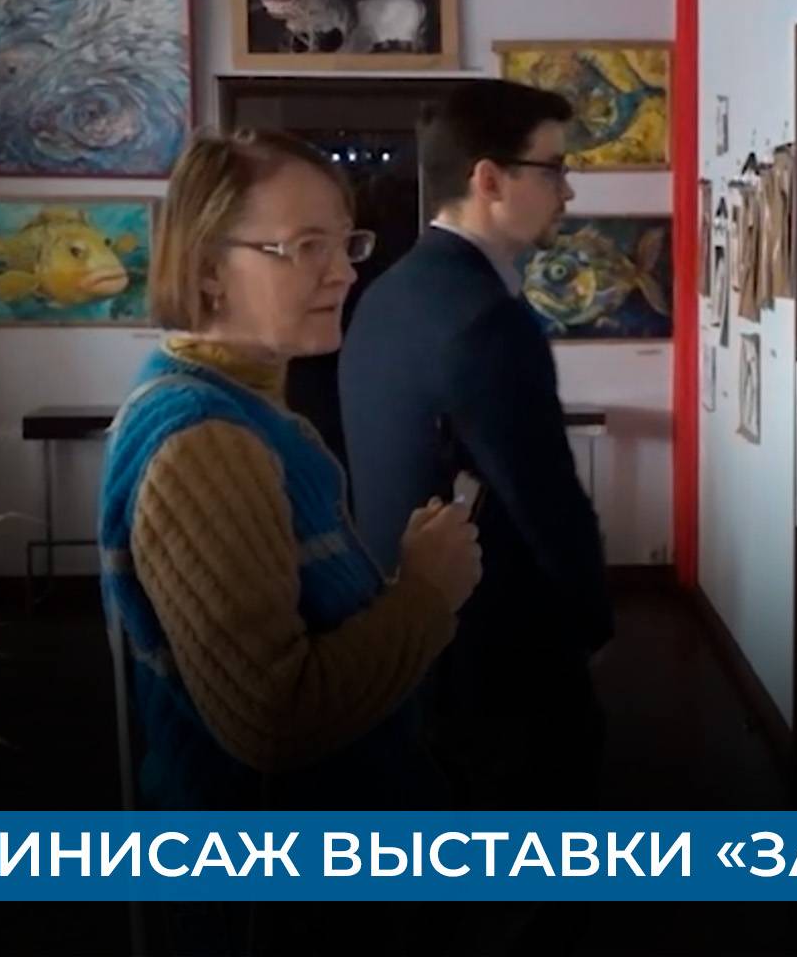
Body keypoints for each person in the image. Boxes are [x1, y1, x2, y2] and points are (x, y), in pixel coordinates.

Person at [97, 128, 481, 953]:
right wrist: (426, 594)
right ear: (207, 267)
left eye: (345, 243)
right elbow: (274, 720)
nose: (343, 272)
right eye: (306, 246)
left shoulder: (251, 416)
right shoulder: (206, 441)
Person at [340, 79, 613, 812]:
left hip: (405, 626)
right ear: (488, 179)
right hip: (499, 654)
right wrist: (593, 624)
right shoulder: (485, 318)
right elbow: (545, 499)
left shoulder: (387, 292)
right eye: (553, 169)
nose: (567, 192)